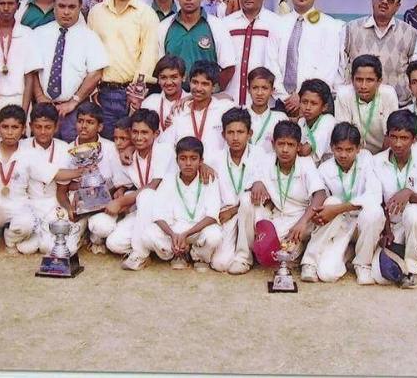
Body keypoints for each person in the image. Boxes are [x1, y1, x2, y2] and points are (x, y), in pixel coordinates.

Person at [0, 105, 83, 258]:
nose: (9, 132)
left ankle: (10, 239)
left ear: (22, 130)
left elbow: (54, 174)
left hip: (18, 207)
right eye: (5, 127)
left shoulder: (29, 152)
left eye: (14, 127)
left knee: (26, 224)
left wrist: (81, 171)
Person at [302, 123, 384, 284]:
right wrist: (331, 211)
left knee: (373, 212)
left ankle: (363, 263)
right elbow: (319, 202)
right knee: (327, 274)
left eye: (349, 150)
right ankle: (310, 261)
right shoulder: (325, 169)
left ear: (358, 148)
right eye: (339, 149)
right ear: (332, 147)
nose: (344, 155)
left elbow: (374, 196)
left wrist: (338, 209)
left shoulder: (366, 159)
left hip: (363, 224)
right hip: (339, 226)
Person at [237, 120, 326, 268]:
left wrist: (302, 222)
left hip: (301, 217)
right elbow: (251, 183)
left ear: (298, 147)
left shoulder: (305, 163)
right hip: (277, 216)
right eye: (281, 144)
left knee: (281, 252)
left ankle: (301, 253)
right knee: (246, 200)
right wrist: (257, 182)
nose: (285, 150)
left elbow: (320, 195)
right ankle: (243, 257)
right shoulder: (266, 160)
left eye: (290, 145)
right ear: (273, 144)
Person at [89, 0, 160, 134]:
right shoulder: (96, 12)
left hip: (132, 94)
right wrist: (92, 90)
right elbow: (88, 53)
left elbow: (149, 55)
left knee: (131, 147)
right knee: (105, 148)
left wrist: (137, 93)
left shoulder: (146, 14)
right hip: (101, 94)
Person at [33, 0, 109, 143]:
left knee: (74, 154)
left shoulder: (90, 37)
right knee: (45, 156)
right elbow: (32, 71)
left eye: (72, 7)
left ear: (80, 7)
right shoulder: (38, 34)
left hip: (75, 111)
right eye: (61, 6)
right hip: (44, 109)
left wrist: (73, 101)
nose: (66, 12)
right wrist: (40, 98)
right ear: (54, 6)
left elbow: (95, 73)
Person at [106, 109, 177, 269]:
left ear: (156, 133)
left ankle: (140, 254)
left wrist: (121, 202)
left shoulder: (164, 150)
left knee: (146, 195)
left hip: (166, 211)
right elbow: (123, 186)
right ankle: (147, 244)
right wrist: (119, 197)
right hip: (142, 212)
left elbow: (153, 185)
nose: (139, 137)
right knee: (113, 243)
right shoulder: (128, 156)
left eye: (145, 132)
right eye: (135, 132)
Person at [372, 110, 417, 289]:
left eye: (404, 138)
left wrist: (408, 192)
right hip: (389, 225)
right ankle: (397, 255)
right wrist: (386, 231)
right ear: (387, 136)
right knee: (381, 276)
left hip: (415, 224)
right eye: (394, 137)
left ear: (414, 139)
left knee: (414, 212)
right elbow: (378, 202)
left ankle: (414, 269)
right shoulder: (377, 161)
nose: (398, 143)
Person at [140, 137, 223, 271]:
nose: (188, 163)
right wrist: (173, 235)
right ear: (177, 160)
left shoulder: (210, 178)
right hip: (175, 230)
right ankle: (177, 253)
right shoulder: (168, 179)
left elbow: (212, 216)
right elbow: (158, 214)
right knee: (147, 235)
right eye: (183, 158)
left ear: (201, 161)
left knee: (215, 236)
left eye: (193, 158)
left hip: (198, 230)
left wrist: (187, 234)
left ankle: (198, 255)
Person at [204, 108, 266, 273]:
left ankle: (244, 258)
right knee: (220, 264)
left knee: (247, 200)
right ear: (223, 135)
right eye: (230, 132)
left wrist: (234, 210)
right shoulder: (215, 159)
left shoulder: (260, 155)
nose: (235, 137)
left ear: (250, 133)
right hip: (227, 216)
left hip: (252, 213)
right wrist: (202, 165)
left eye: (240, 132)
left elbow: (261, 194)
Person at [341, 0, 417, 107]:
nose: (384, 2)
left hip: (397, 108)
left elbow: (415, 73)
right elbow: (341, 68)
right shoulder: (351, 29)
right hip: (357, 106)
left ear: (398, 6)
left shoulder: (410, 34)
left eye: (390, 0)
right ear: (373, 0)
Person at [61, 102, 126, 254]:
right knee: (67, 248)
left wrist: (98, 195)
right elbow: (63, 188)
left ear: (100, 127)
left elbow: (118, 183)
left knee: (102, 227)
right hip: (78, 203)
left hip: (104, 202)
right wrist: (69, 207)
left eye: (90, 122)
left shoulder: (110, 148)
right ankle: (81, 233)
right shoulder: (68, 149)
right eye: (80, 121)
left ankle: (95, 237)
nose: (84, 126)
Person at [278, 0, 344, 116]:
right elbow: (271, 62)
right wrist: (284, 96)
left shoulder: (330, 26)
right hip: (281, 101)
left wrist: (302, 96)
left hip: (313, 103)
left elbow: (328, 67)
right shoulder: (278, 24)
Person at [20, 103, 82, 256]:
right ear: (30, 126)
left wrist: (68, 208)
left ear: (56, 126)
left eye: (47, 127)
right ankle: (38, 234)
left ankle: (78, 232)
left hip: (55, 203)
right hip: (30, 204)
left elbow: (64, 187)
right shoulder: (22, 146)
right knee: (26, 248)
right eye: (38, 127)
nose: (42, 132)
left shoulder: (65, 148)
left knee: (54, 248)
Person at [158, 0, 236, 90]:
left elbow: (229, 67)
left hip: (207, 102)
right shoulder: (164, 27)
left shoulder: (217, 26)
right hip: (173, 101)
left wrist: (211, 92)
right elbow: (159, 68)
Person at [222, 0, 286, 105]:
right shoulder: (226, 24)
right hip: (230, 99)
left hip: (265, 103)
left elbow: (281, 61)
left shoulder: (276, 23)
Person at [0, 0, 42, 115]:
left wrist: (24, 113)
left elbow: (29, 77)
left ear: (18, 6)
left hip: (19, 99)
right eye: (1, 3)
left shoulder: (27, 34)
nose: (6, 8)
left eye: (11, 3)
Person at [164, 61, 235, 153]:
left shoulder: (225, 109)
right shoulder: (178, 111)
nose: (198, 88)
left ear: (213, 87)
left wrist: (188, 97)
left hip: (216, 166)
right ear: (189, 82)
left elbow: (230, 98)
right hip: (186, 166)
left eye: (204, 84)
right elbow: (167, 146)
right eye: (195, 82)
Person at [334, 54, 399, 155]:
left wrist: (379, 160)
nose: (363, 86)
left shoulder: (388, 95)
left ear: (379, 81)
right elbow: (343, 134)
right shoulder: (343, 95)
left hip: (383, 153)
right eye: (359, 80)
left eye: (369, 80)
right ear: (352, 80)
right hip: (352, 154)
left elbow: (391, 135)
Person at [141, 55, 187, 136]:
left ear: (183, 77)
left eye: (174, 77)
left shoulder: (192, 102)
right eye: (163, 77)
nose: (169, 82)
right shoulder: (150, 102)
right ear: (158, 79)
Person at [246, 67, 288, 155]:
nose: (259, 93)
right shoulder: (240, 116)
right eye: (255, 88)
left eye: (265, 88)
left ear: (272, 90)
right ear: (248, 89)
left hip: (271, 166)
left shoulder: (280, 118)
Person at [297, 79, 336, 165]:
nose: (308, 107)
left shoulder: (328, 121)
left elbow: (305, 151)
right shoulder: (301, 121)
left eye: (313, 103)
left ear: (324, 107)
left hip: (328, 171)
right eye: (304, 102)